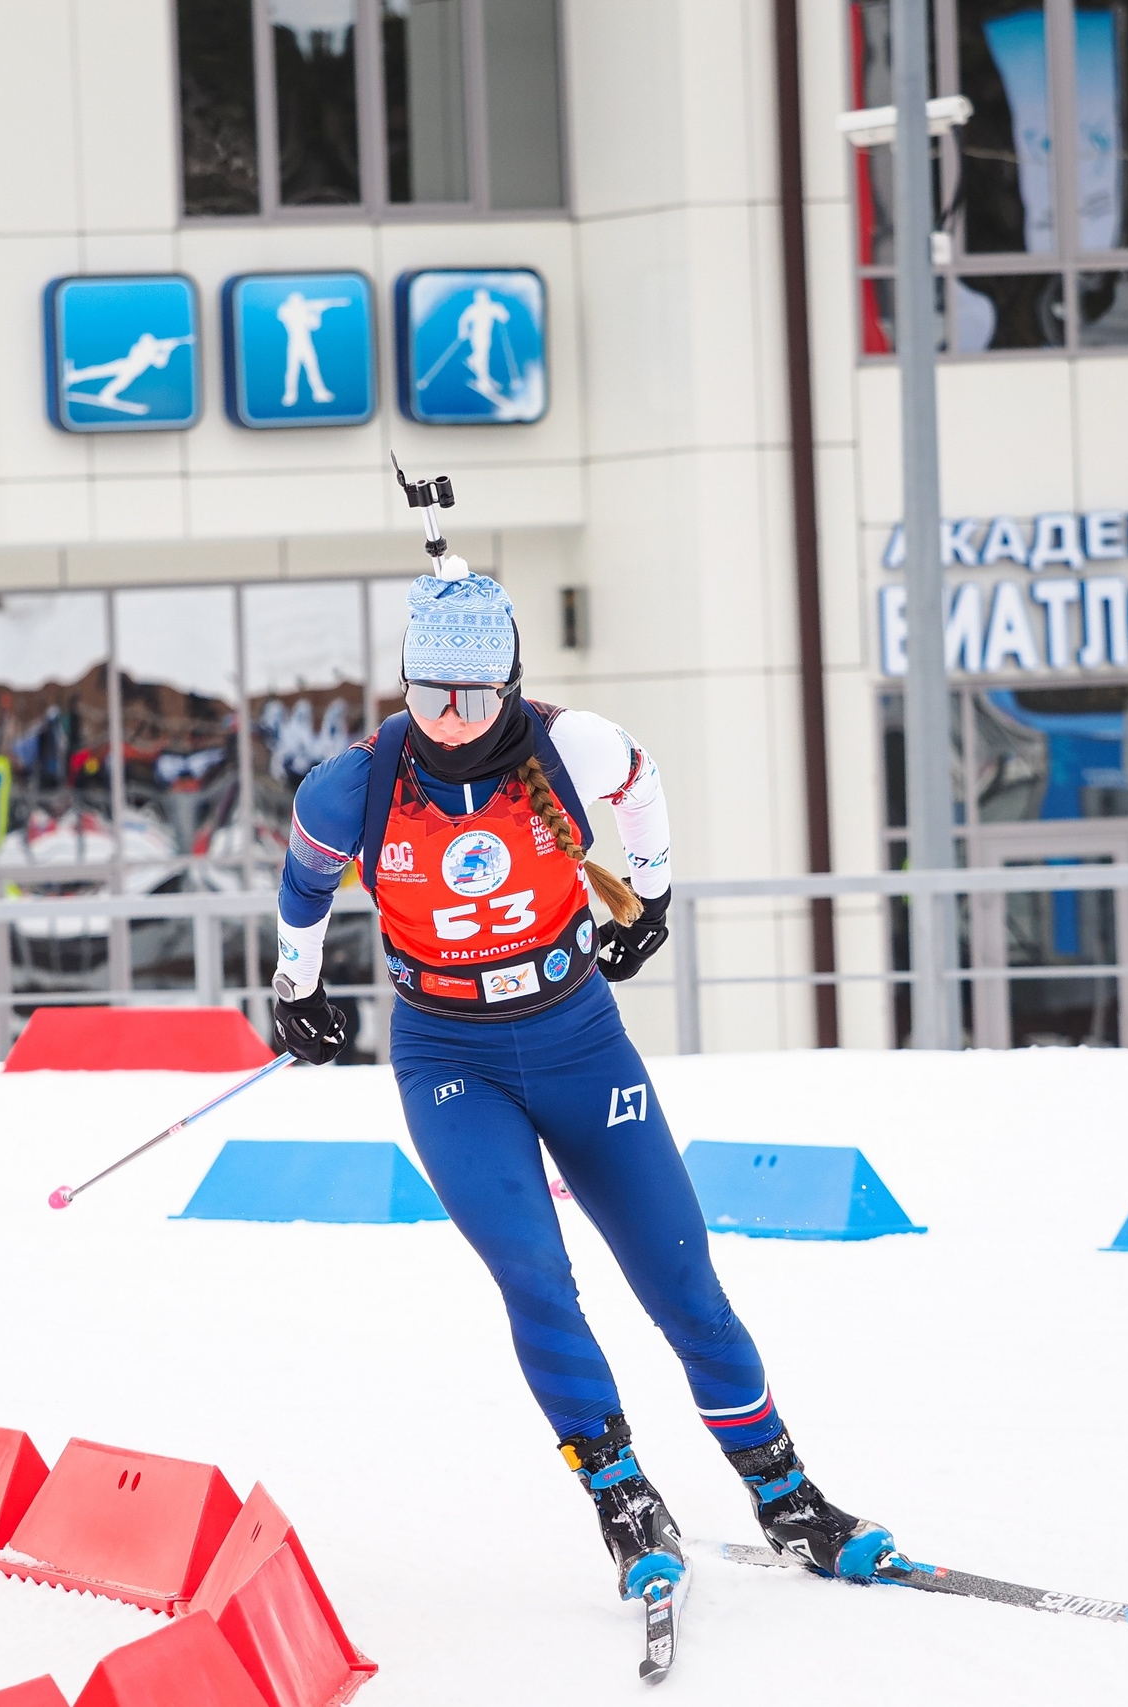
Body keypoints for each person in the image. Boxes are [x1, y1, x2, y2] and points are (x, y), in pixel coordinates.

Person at [269, 561, 892, 1609]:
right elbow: (304, 885)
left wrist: (651, 895)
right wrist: (299, 989)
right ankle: (622, 1497)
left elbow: (640, 789)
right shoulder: (354, 784)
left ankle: (786, 1497)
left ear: (509, 683)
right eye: (428, 693)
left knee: (681, 1279)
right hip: (449, 1058)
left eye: (472, 695)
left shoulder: (574, 747)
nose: (450, 718)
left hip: (577, 1040)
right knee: (536, 1275)